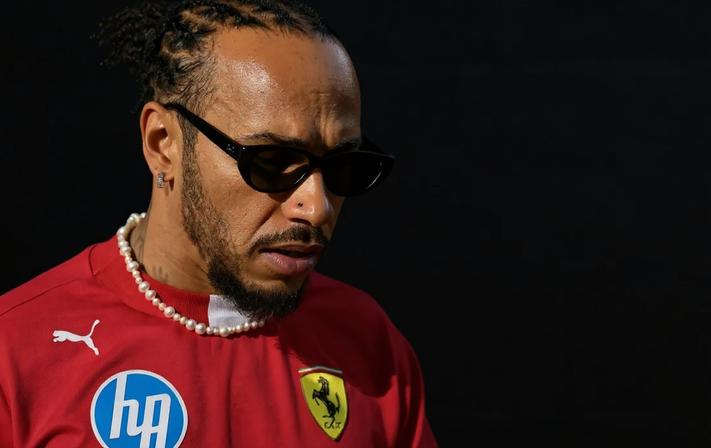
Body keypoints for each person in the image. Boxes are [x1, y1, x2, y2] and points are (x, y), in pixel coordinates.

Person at [0, 1, 437, 446]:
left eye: (345, 166)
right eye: (272, 162)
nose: (317, 206)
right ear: (162, 142)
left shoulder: (368, 344)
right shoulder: (15, 351)